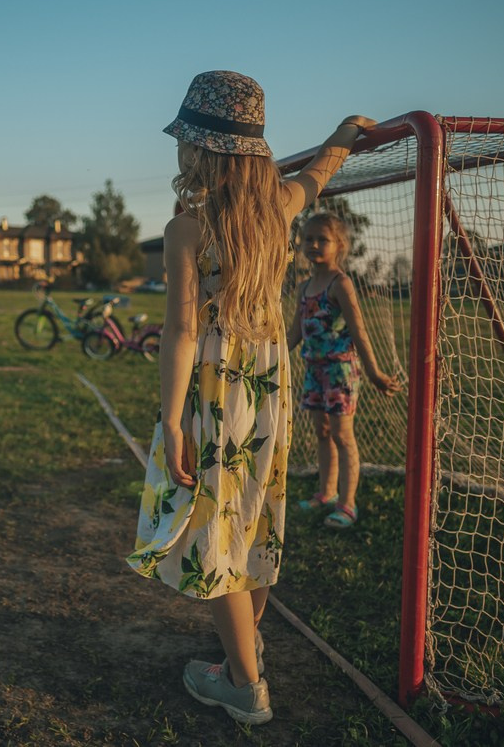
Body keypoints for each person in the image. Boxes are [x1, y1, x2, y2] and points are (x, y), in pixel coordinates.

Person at [125, 70, 376, 725]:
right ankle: (247, 646)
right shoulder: (283, 209)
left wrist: (175, 420)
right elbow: (320, 172)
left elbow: (182, 331)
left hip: (215, 389)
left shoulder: (188, 228)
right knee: (253, 519)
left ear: (199, 151)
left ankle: (244, 686)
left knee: (217, 536)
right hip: (269, 389)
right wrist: (344, 136)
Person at [287, 212, 402, 528]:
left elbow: (359, 331)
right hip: (313, 371)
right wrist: (272, 359)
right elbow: (294, 334)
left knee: (342, 434)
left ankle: (348, 503)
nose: (313, 244)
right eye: (308, 238)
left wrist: (375, 372)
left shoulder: (342, 284)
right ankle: (324, 493)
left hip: (340, 372)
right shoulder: (304, 288)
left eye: (321, 239)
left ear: (339, 245)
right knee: (321, 432)